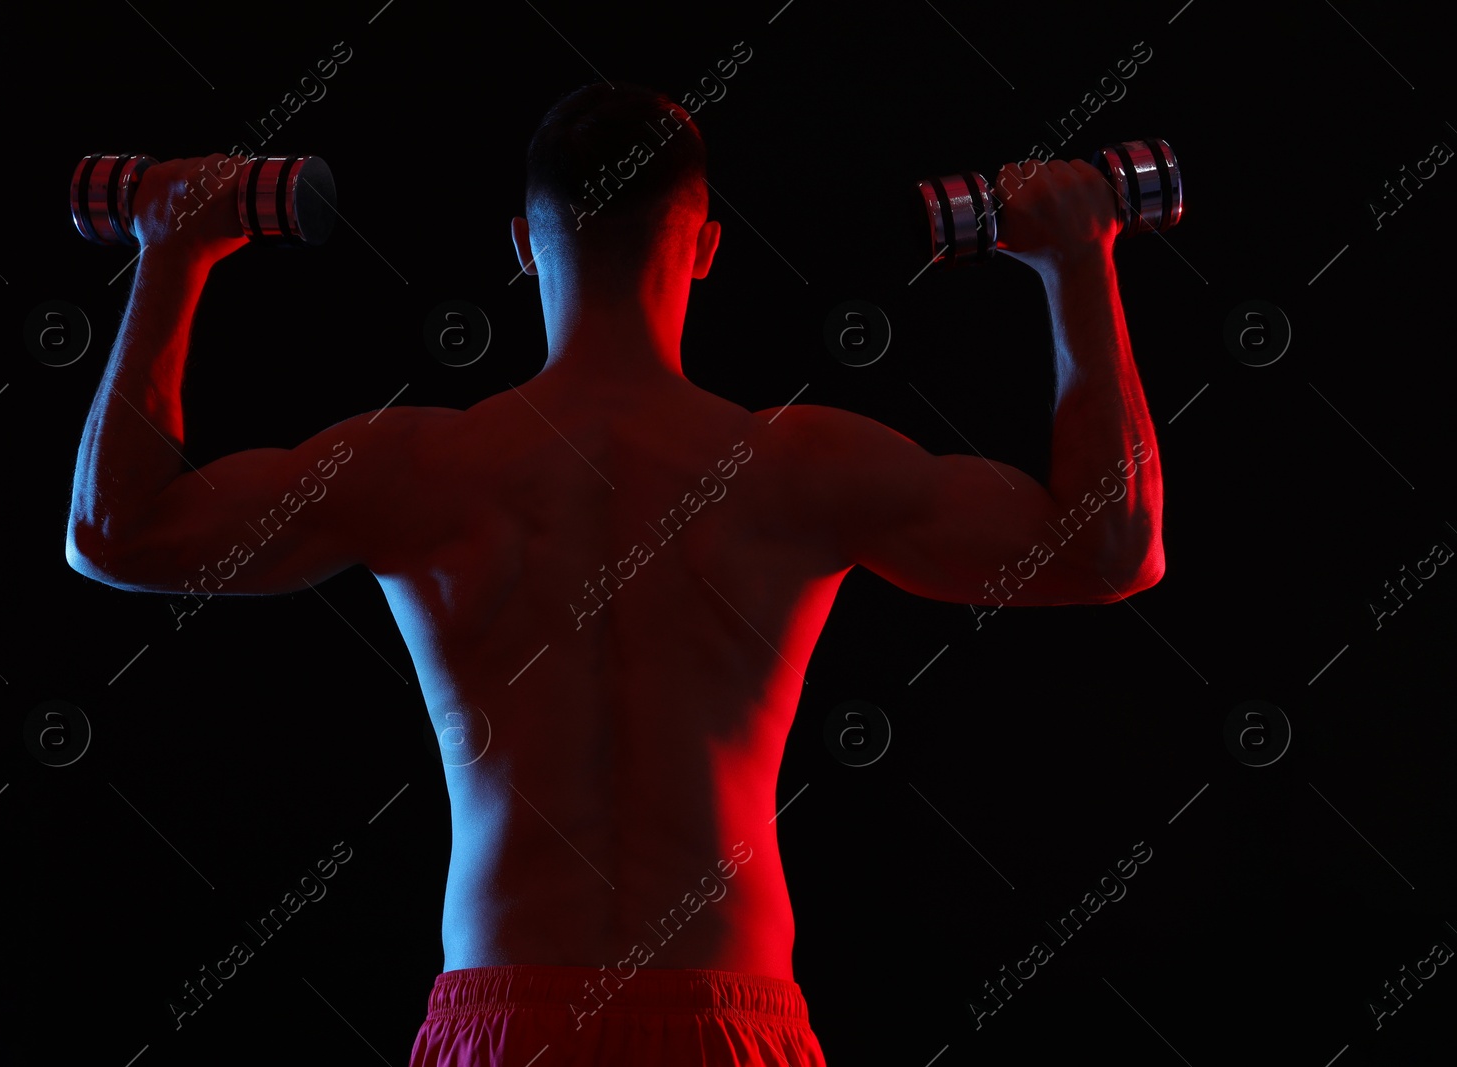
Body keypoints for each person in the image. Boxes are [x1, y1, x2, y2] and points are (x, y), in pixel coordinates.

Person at [66, 81, 1163, 1066]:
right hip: (725, 1022)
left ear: (524, 245)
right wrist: (1077, 258)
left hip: (507, 1022)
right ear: (702, 251)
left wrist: (172, 246)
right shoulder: (797, 466)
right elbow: (1111, 548)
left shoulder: (417, 467)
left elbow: (115, 534)